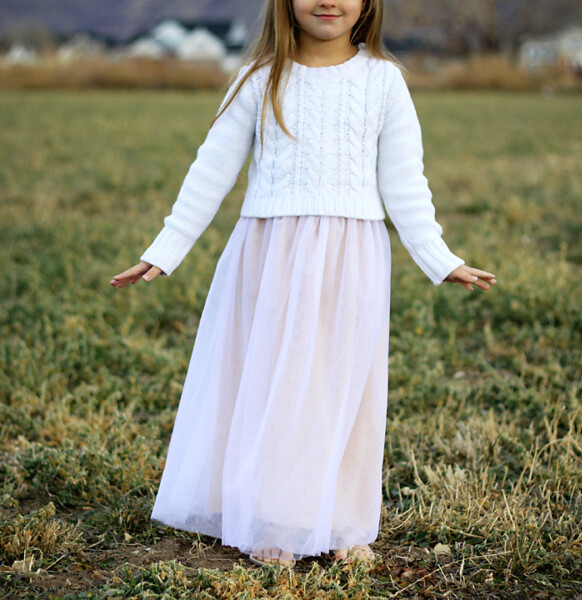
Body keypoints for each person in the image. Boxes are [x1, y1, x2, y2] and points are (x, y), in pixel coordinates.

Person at [110, 0, 496, 569]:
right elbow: (210, 171)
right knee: (277, 384)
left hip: (352, 258)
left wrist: (439, 258)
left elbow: (405, 182)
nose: (327, 0)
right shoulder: (259, 79)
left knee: (341, 388)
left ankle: (341, 522)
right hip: (269, 255)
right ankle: (273, 518)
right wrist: (165, 250)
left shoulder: (383, 82)